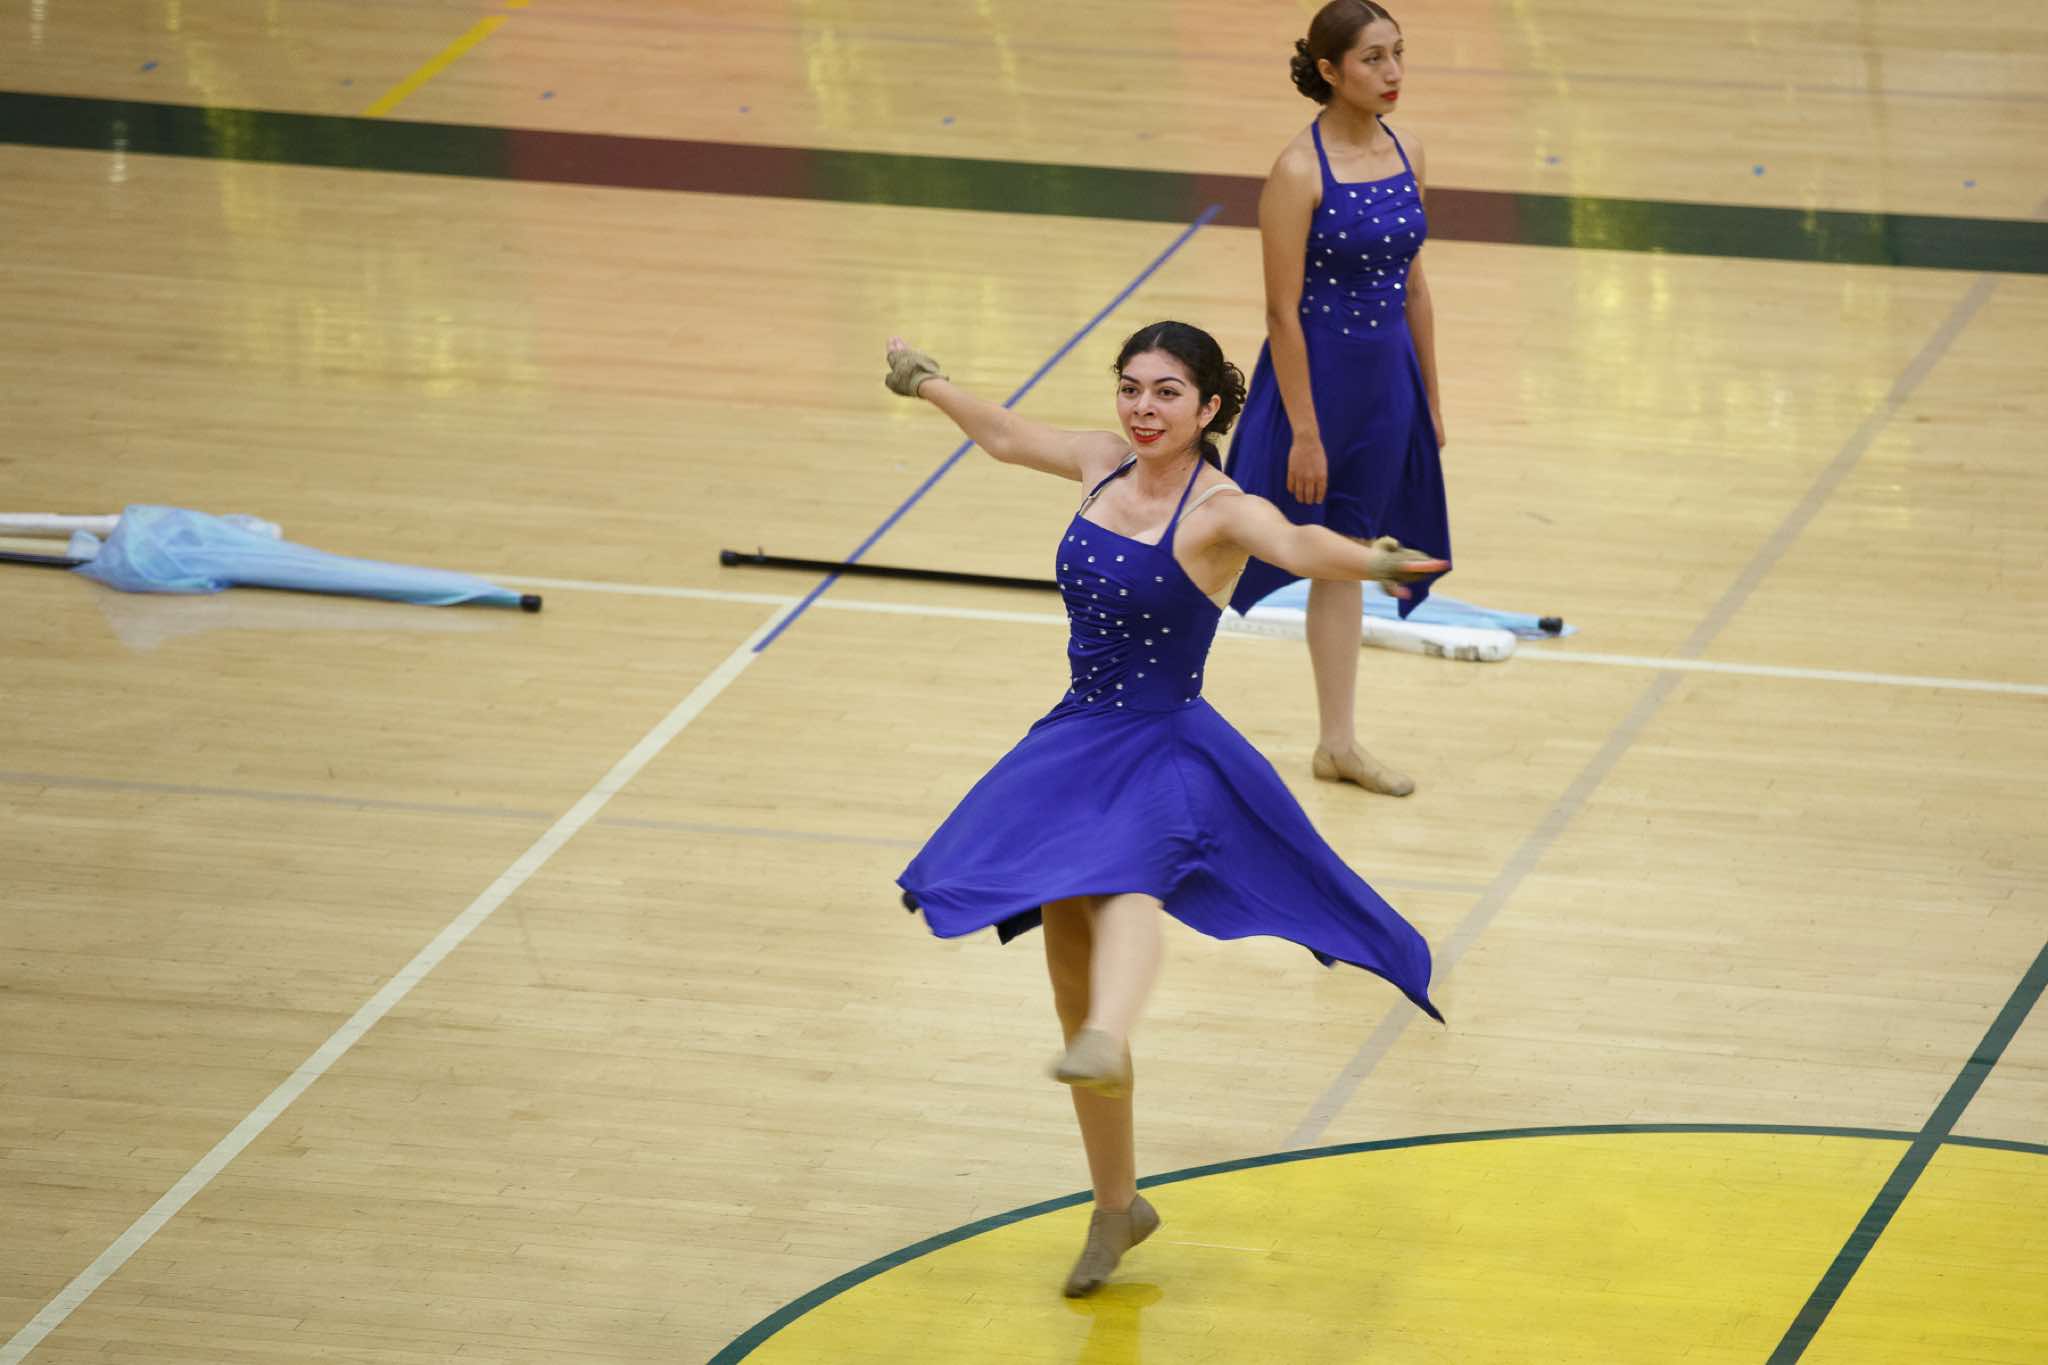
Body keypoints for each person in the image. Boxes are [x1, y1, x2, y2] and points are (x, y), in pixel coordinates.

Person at [883, 321, 1444, 1298]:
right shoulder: (1100, 464)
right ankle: (1117, 1204)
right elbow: (1006, 435)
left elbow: (1296, 543)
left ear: (1209, 407)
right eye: (1131, 388)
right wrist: (926, 380)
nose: (1143, 408)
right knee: (1069, 965)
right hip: (1076, 739)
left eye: (1167, 393)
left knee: (1126, 887)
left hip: (1164, 744)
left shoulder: (1220, 509)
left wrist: (1372, 561)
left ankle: (1108, 1032)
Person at [1226, 0, 1451, 798]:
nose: (1392, 73)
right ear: (1329, 71)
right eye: (1372, 59)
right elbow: (1281, 312)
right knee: (1233, 540)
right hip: (1315, 382)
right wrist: (1306, 432)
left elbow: (1415, 285)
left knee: (1346, 553)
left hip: (1388, 381)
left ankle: (1338, 744)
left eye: (1398, 54)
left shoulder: (1408, 148)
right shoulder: (1297, 171)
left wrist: (1429, 397)